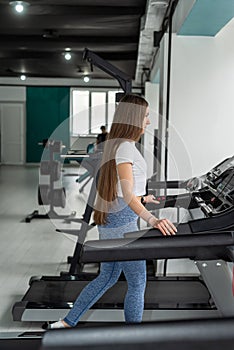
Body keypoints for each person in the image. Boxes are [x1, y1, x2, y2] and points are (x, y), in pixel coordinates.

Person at [47, 94, 177, 329]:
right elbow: (126, 195)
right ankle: (132, 336)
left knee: (107, 277)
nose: (148, 121)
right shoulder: (126, 148)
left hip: (115, 219)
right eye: (146, 116)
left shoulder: (118, 144)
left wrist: (143, 198)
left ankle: (67, 322)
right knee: (137, 283)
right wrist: (152, 219)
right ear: (135, 118)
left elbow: (121, 190)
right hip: (124, 221)